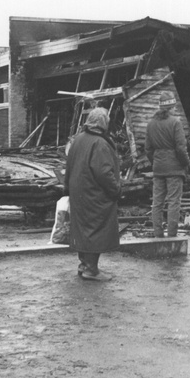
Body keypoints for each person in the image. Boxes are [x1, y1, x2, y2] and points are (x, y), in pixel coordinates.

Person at [64, 106, 122, 281]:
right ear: (103, 123)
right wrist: (116, 189)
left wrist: (67, 189)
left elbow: (69, 166)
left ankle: (84, 264)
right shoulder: (100, 143)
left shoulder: (78, 139)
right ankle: (91, 269)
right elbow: (104, 173)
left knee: (83, 230)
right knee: (95, 230)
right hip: (94, 194)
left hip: (79, 193)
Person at [145, 92, 189, 237]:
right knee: (173, 202)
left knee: (157, 202)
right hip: (174, 168)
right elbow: (181, 148)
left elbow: (148, 149)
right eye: (174, 107)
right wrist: (185, 164)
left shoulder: (151, 124)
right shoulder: (175, 123)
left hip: (158, 168)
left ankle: (158, 234)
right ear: (171, 107)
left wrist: (156, 161)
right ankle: (171, 235)